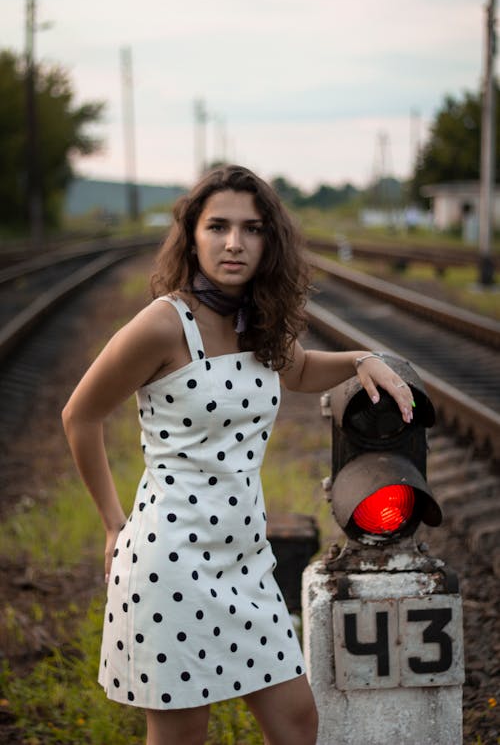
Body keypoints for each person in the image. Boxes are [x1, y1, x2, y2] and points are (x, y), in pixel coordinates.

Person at [62, 164, 415, 745]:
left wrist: (359, 358)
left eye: (251, 229)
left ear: (268, 240)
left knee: (297, 720)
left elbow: (297, 368)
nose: (234, 243)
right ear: (192, 236)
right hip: (170, 561)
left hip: (245, 561)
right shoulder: (163, 324)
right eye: (217, 226)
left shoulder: (256, 321)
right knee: (182, 735)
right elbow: (80, 415)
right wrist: (111, 523)